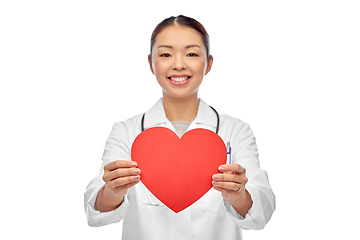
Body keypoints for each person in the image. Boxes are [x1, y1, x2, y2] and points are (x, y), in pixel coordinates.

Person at [84, 15, 275, 239]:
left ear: (209, 63)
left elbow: (260, 213)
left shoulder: (235, 131)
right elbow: (97, 212)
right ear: (150, 63)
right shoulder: (126, 131)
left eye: (192, 54)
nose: (178, 64)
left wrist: (237, 195)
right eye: (165, 54)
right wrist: (112, 190)